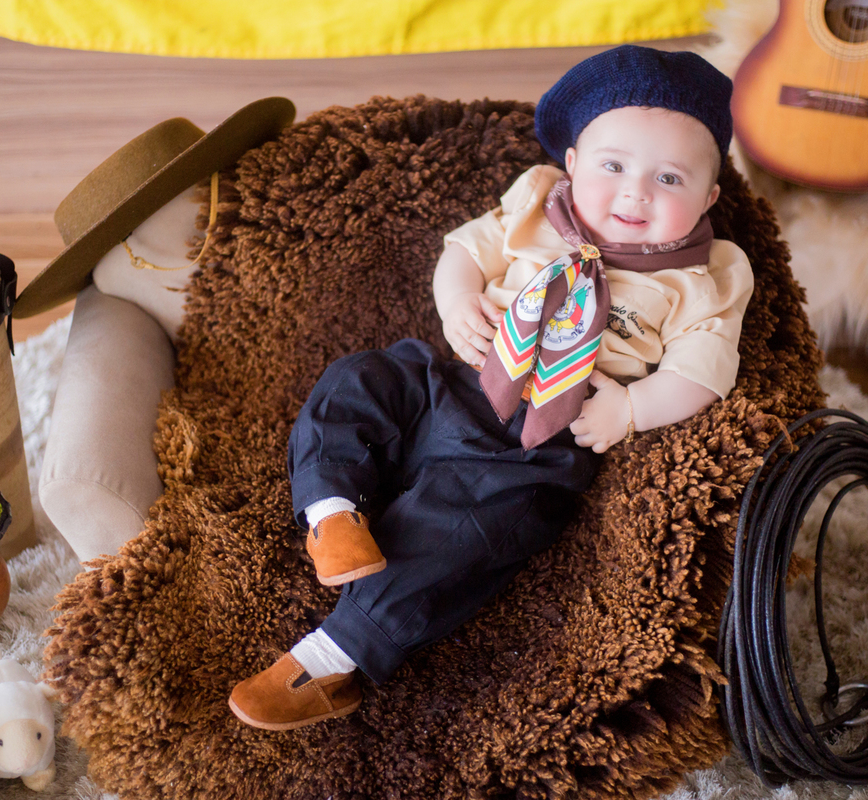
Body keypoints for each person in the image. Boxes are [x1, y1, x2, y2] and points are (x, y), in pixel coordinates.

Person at [228, 44, 754, 731]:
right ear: (571, 165)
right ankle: (332, 512)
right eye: (614, 166)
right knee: (361, 378)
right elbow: (465, 253)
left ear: (710, 197)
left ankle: (331, 658)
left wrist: (631, 407)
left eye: (671, 179)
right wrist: (457, 304)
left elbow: (702, 372)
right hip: (454, 384)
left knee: (463, 528)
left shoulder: (705, 275)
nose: (635, 193)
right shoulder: (536, 202)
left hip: (539, 445)